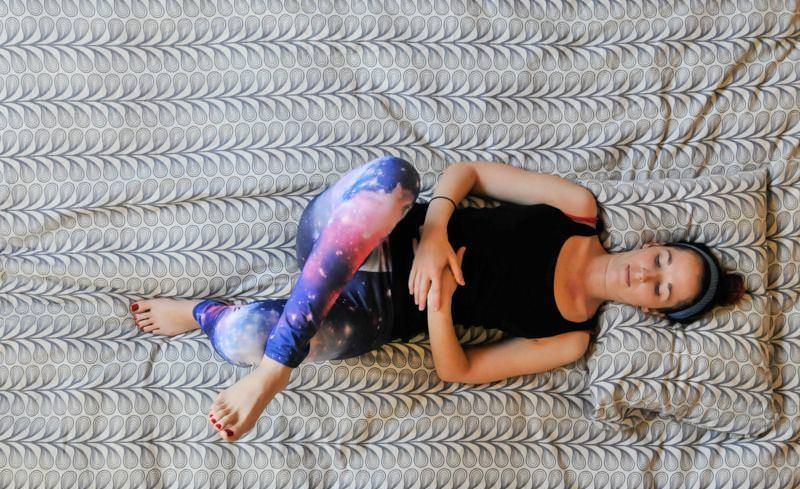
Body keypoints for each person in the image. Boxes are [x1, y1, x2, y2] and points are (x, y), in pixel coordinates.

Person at [129, 156, 746, 442]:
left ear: (652, 310)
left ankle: (208, 316)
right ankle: (275, 370)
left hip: (373, 315)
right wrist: (433, 234)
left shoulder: (571, 336)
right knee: (396, 175)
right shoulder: (578, 209)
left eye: (661, 290)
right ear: (655, 244)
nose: (645, 275)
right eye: (661, 261)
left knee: (240, 336)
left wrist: (441, 305)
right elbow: (468, 173)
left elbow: (458, 369)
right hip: (368, 230)